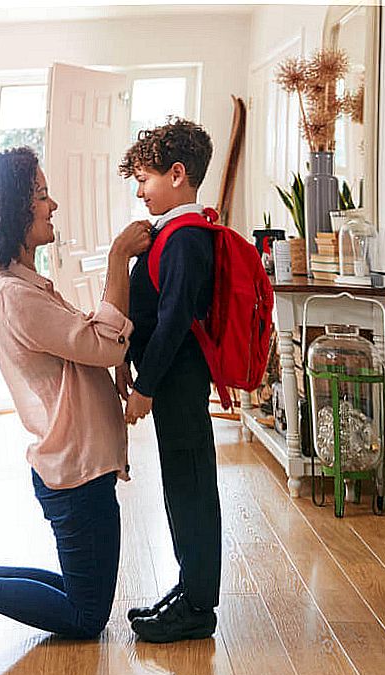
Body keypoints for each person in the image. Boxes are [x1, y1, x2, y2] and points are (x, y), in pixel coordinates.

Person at [0, 147, 152, 646]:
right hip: (76, 471)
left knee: (78, 592)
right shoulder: (16, 297)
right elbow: (100, 344)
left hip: (77, 467)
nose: (53, 204)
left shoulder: (25, 286)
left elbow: (86, 346)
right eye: (41, 195)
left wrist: (119, 357)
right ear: (15, 209)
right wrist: (117, 259)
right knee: (85, 616)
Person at [114, 118, 222, 643]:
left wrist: (145, 385)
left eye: (145, 178)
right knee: (182, 487)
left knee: (192, 489)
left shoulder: (185, 237)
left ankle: (199, 606)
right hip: (174, 381)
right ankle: (189, 589)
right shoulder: (176, 233)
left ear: (178, 174)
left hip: (178, 381)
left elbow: (177, 316)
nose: (140, 190)